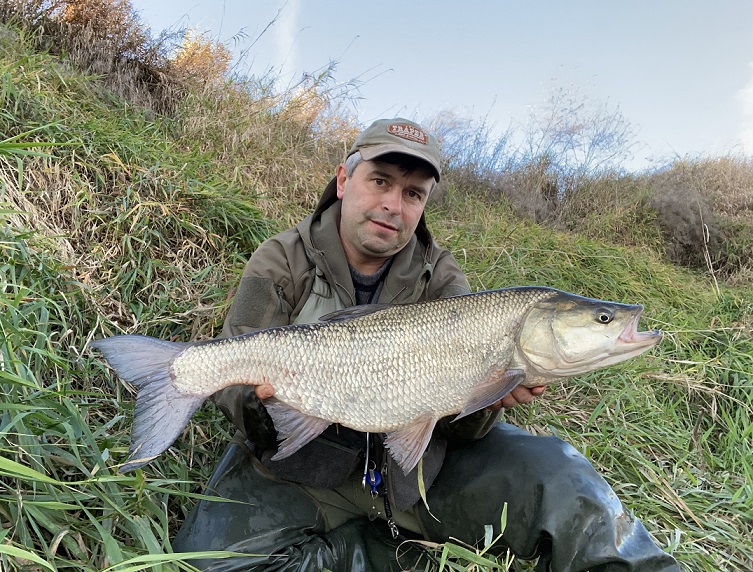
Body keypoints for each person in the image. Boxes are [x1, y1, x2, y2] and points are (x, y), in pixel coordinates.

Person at [172, 118, 681, 572]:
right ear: (344, 180)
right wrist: (268, 405)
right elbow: (231, 389)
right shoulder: (281, 259)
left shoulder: (442, 277)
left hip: (416, 474)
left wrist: (492, 399)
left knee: (563, 480)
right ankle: (380, 551)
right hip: (303, 469)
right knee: (205, 562)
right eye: (380, 182)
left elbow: (461, 425)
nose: (394, 205)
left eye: (414, 193)